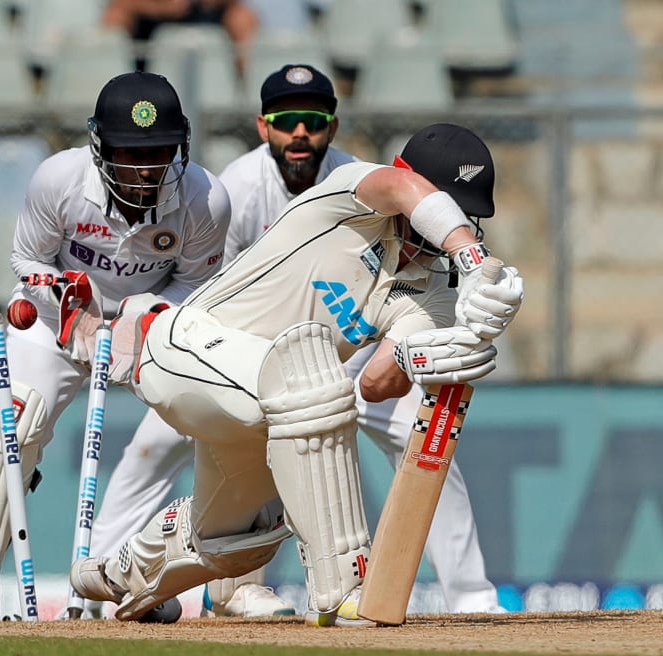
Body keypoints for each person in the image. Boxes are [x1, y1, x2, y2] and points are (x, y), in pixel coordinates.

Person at [88, 63, 504, 619]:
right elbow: (401, 187)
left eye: (469, 221)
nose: (456, 230)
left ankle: (120, 572)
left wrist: (433, 348)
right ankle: (344, 585)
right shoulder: (348, 195)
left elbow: (379, 386)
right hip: (187, 346)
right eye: (451, 213)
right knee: (315, 385)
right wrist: (470, 256)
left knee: (238, 542)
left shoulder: (430, 289)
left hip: (262, 404)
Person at [0, 70, 231, 622]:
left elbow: (194, 287)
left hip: (151, 326)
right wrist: (68, 305)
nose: (145, 168)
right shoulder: (58, 179)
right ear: (100, 147)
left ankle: (156, 585)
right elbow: (26, 261)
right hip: (54, 319)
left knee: (218, 418)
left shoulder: (207, 200)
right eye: (130, 153)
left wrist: (142, 317)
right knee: (8, 424)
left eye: (158, 151)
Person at [102, 0, 259, 77]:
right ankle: (117, 89)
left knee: (243, 18)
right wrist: (164, 8)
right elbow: (121, 3)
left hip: (199, 12)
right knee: (116, 16)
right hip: (149, 16)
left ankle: (243, 97)